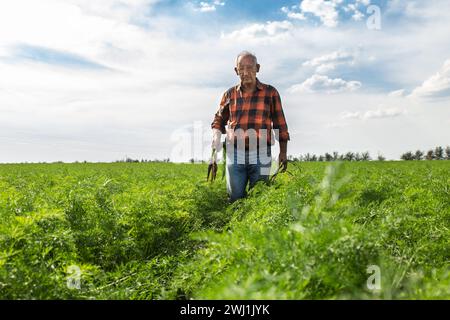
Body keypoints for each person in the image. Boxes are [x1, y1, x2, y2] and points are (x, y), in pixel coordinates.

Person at [211, 51, 290, 203]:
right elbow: (219, 120)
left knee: (259, 199)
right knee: (235, 198)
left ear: (258, 68)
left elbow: (280, 124)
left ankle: (254, 226)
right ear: (236, 71)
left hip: (261, 152)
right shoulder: (229, 94)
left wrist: (283, 153)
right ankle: (237, 225)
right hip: (235, 152)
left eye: (250, 67)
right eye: (241, 68)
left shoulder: (270, 93)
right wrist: (216, 137)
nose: (246, 72)